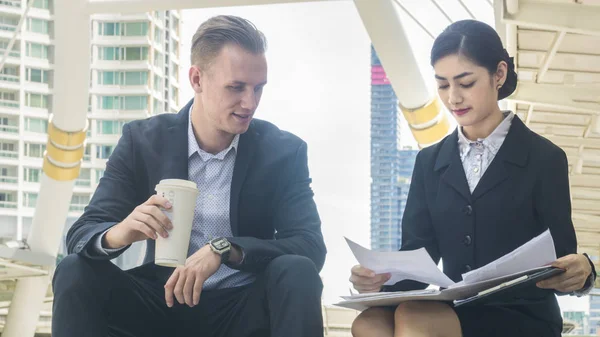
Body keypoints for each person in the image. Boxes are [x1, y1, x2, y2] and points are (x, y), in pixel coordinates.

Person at [52, 15, 327, 337]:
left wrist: (224, 248)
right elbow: (82, 233)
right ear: (197, 79)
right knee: (74, 270)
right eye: (236, 87)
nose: (249, 102)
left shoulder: (282, 151)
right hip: (159, 302)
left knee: (296, 270)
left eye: (258, 88)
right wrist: (122, 232)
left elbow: (309, 246)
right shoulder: (142, 141)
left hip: (243, 307)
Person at [349, 20, 597, 337]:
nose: (453, 97)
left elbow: (562, 263)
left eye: (465, 83)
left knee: (415, 320)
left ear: (499, 74)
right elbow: (417, 261)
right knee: (368, 324)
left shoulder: (544, 158)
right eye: (442, 84)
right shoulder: (429, 163)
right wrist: (379, 280)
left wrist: (585, 270)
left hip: (522, 315)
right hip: (456, 308)